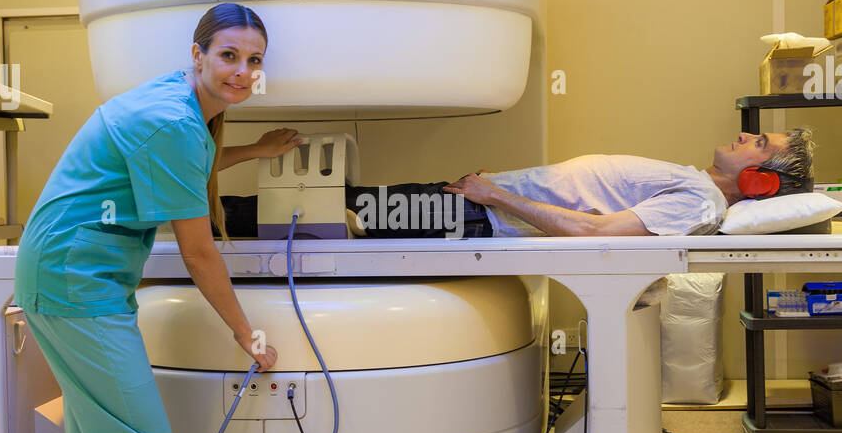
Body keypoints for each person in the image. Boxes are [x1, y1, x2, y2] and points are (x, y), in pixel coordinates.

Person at [13, 3, 301, 433]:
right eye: (228, 55)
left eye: (253, 60)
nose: (241, 70)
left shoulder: (177, 108)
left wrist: (256, 151)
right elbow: (199, 253)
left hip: (66, 277)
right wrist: (247, 334)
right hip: (76, 283)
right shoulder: (173, 119)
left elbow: (174, 174)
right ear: (197, 53)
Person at [343, 129, 815, 238]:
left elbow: (597, 232)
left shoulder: (701, 203)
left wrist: (496, 196)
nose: (742, 135)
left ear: (759, 181)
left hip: (476, 213)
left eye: (758, 143)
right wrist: (498, 184)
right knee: (342, 206)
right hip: (476, 200)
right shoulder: (695, 183)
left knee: (335, 217)